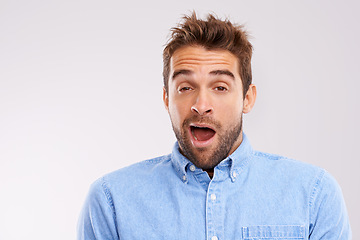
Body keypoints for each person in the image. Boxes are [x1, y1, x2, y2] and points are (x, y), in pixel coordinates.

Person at [77, 13, 351, 240]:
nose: (201, 104)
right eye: (185, 87)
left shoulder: (315, 194)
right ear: (166, 98)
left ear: (247, 98)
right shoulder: (110, 201)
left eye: (220, 87)